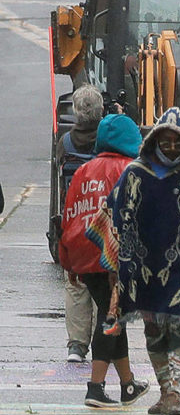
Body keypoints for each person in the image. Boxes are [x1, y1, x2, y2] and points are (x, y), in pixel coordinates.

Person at [93, 107, 180, 415]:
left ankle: (174, 393)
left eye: (176, 142)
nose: (170, 147)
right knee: (154, 329)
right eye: (164, 141)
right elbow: (114, 218)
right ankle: (166, 390)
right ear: (154, 140)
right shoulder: (135, 173)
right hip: (143, 268)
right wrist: (117, 268)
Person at [60, 114, 149, 408]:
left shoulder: (84, 171)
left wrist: (68, 261)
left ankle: (127, 384)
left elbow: (69, 217)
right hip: (117, 258)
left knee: (113, 317)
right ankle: (95, 387)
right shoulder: (132, 171)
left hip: (85, 256)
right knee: (111, 319)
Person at [58, 84, 103, 364]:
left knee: (76, 283)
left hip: (74, 218)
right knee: (103, 280)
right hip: (101, 221)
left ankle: (77, 344)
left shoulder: (65, 142)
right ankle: (103, 338)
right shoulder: (107, 143)